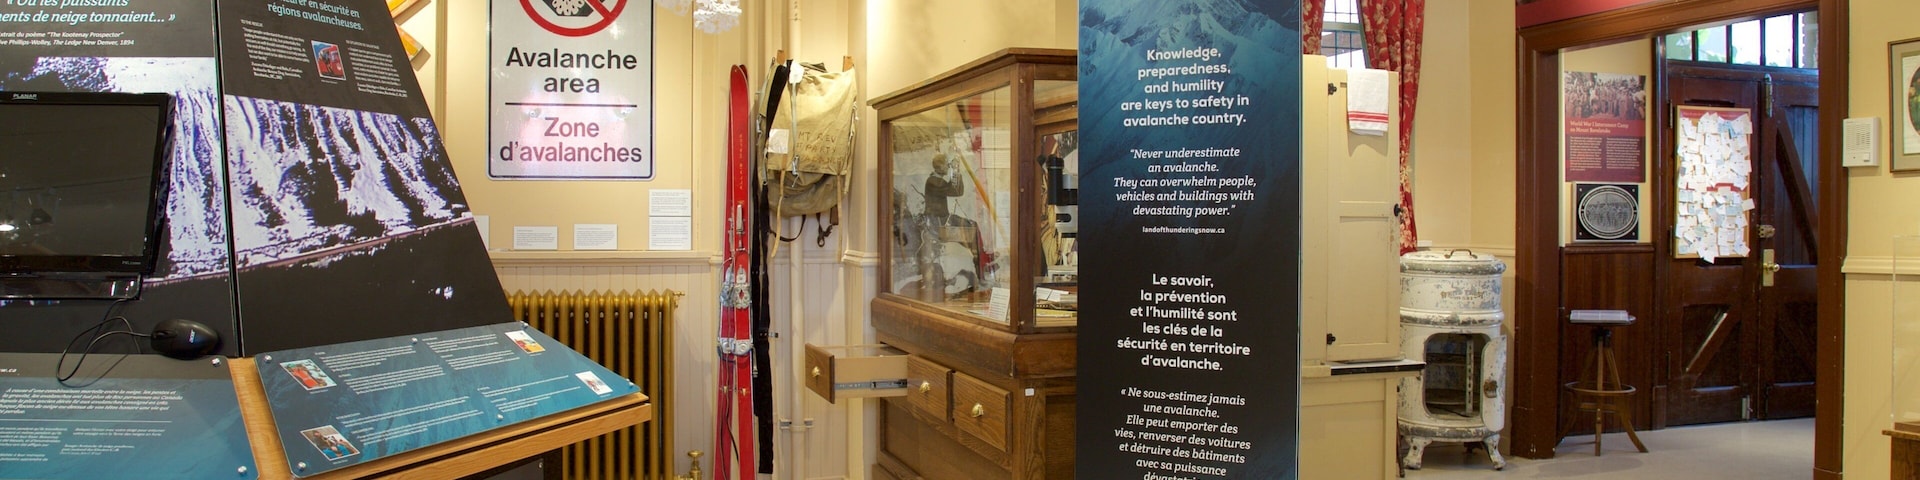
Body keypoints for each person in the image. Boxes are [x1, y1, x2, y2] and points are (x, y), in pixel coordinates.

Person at [923, 154, 965, 224]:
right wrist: (955, 169)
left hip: (940, 219)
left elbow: (959, 192)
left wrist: (956, 171)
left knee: (970, 225)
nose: (949, 167)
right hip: (936, 221)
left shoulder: (937, 180)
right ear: (941, 166)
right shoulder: (933, 181)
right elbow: (955, 191)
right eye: (947, 164)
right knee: (970, 226)